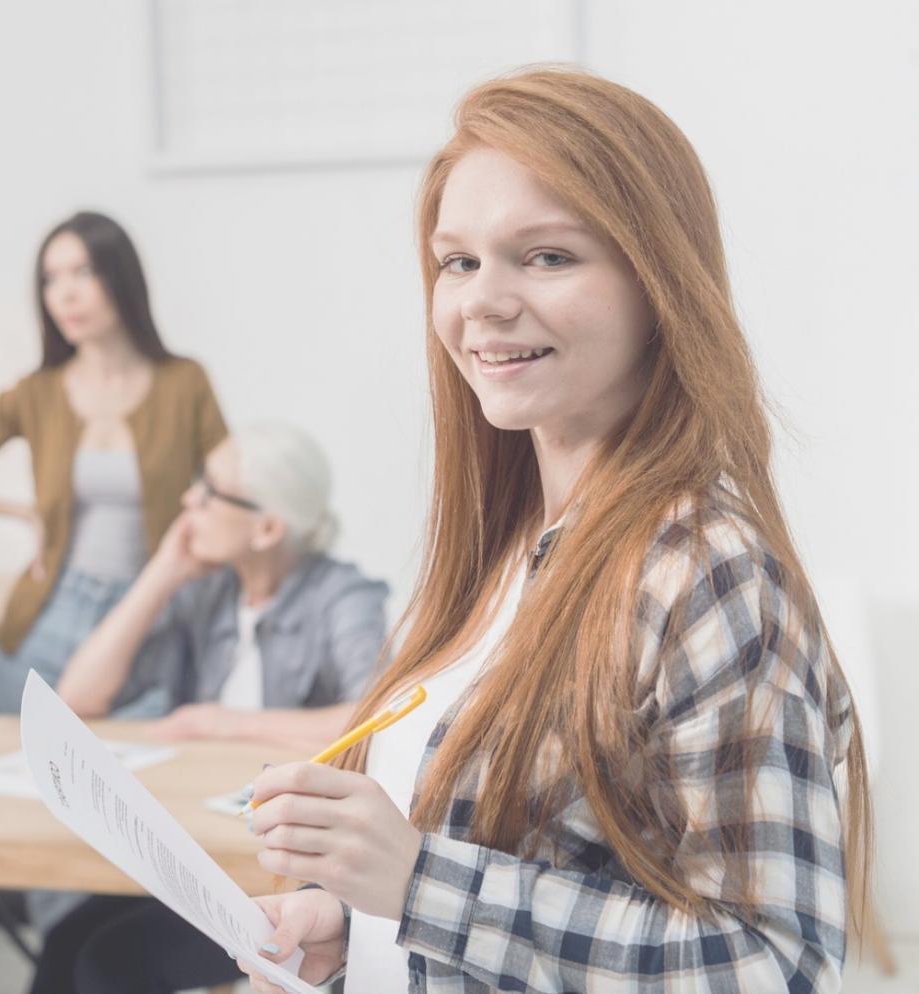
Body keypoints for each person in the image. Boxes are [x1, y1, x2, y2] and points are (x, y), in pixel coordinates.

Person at [237, 67, 871, 994]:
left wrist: (419, 886)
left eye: (545, 257)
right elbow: (507, 866)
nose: (482, 302)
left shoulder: (704, 571)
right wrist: (354, 927)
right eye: (459, 262)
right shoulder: (498, 554)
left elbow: (774, 965)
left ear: (657, 280)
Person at [31, 422, 389, 994]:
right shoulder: (209, 591)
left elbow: (373, 720)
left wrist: (224, 722)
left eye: (209, 491)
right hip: (196, 848)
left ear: (266, 528)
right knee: (63, 943)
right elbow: (79, 697)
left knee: (109, 964)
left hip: (284, 877)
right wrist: (162, 572)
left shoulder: (342, 596)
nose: (188, 500)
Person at [0, 210, 228, 717]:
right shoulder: (38, 393)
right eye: (51, 279)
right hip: (51, 617)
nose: (65, 295)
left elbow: (231, 487)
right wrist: (23, 513)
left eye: (83, 273)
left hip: (148, 618)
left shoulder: (184, 383)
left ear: (121, 278)